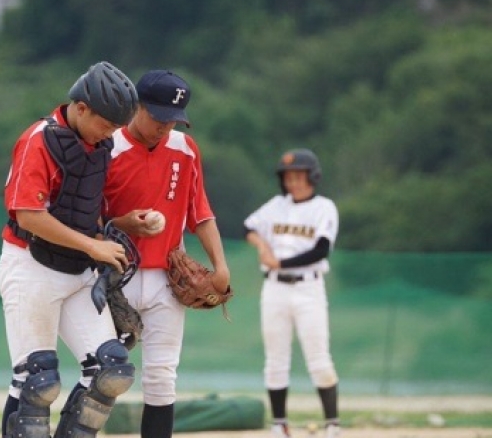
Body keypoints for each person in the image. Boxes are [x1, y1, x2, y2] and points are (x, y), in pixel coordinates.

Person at [0, 61, 140, 438]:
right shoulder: (39, 140)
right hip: (31, 266)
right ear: (81, 108)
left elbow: (85, 207)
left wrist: (110, 233)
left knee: (111, 370)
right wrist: (92, 245)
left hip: (79, 271)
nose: (111, 133)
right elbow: (28, 215)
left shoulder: (100, 145)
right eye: (106, 124)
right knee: (36, 380)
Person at [103, 69, 231, 438]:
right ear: (137, 106)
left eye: (173, 119)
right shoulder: (108, 147)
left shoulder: (185, 148)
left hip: (166, 279)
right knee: (103, 373)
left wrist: (221, 266)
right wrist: (123, 223)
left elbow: (200, 213)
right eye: (159, 116)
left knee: (161, 376)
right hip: (115, 277)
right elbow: (88, 218)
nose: (165, 126)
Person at [243, 148, 341, 438]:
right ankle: (279, 424)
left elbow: (321, 249)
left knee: (318, 358)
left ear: (313, 177)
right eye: (288, 177)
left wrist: (281, 262)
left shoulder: (323, 207)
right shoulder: (277, 205)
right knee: (275, 359)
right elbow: (248, 227)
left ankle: (332, 424)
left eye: (299, 176)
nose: (293, 182)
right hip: (274, 288)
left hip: (308, 288)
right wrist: (262, 245)